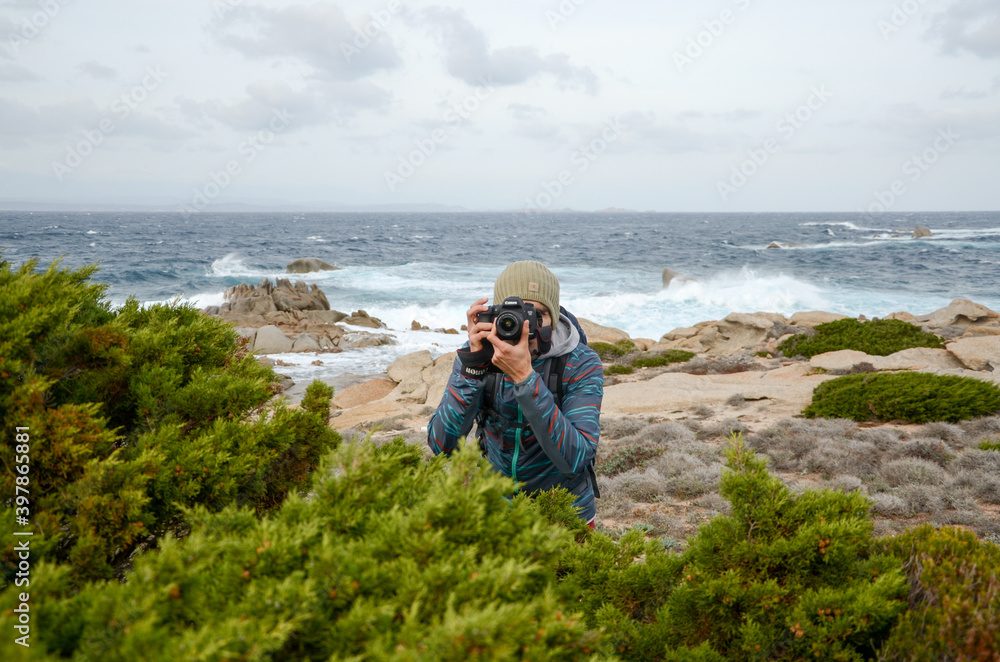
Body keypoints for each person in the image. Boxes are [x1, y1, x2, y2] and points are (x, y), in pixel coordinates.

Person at [427, 261, 604, 526]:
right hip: (497, 510)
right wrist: (473, 369)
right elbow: (442, 447)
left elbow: (576, 459)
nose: (524, 326)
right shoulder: (478, 356)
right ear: (494, 315)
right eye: (515, 314)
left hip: (564, 512)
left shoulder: (580, 363)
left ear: (553, 320)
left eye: (536, 315)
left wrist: (524, 378)